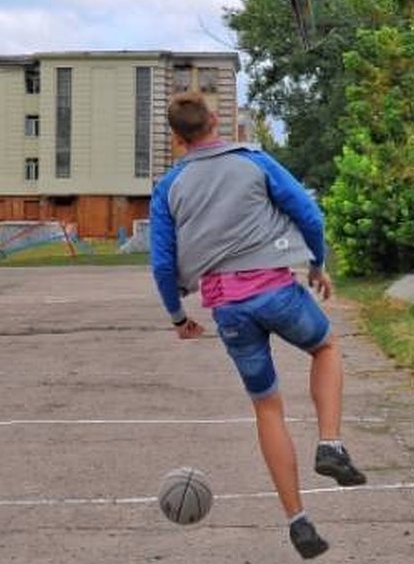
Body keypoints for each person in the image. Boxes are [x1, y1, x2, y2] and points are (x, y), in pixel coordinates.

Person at [149, 91, 365, 559]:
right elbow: (309, 213)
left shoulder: (170, 186)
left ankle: (298, 520)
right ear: (214, 120)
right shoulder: (254, 161)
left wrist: (178, 316)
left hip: (228, 309)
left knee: (267, 408)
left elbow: (163, 263)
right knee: (326, 347)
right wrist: (316, 264)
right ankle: (330, 444)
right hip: (275, 290)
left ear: (176, 137)